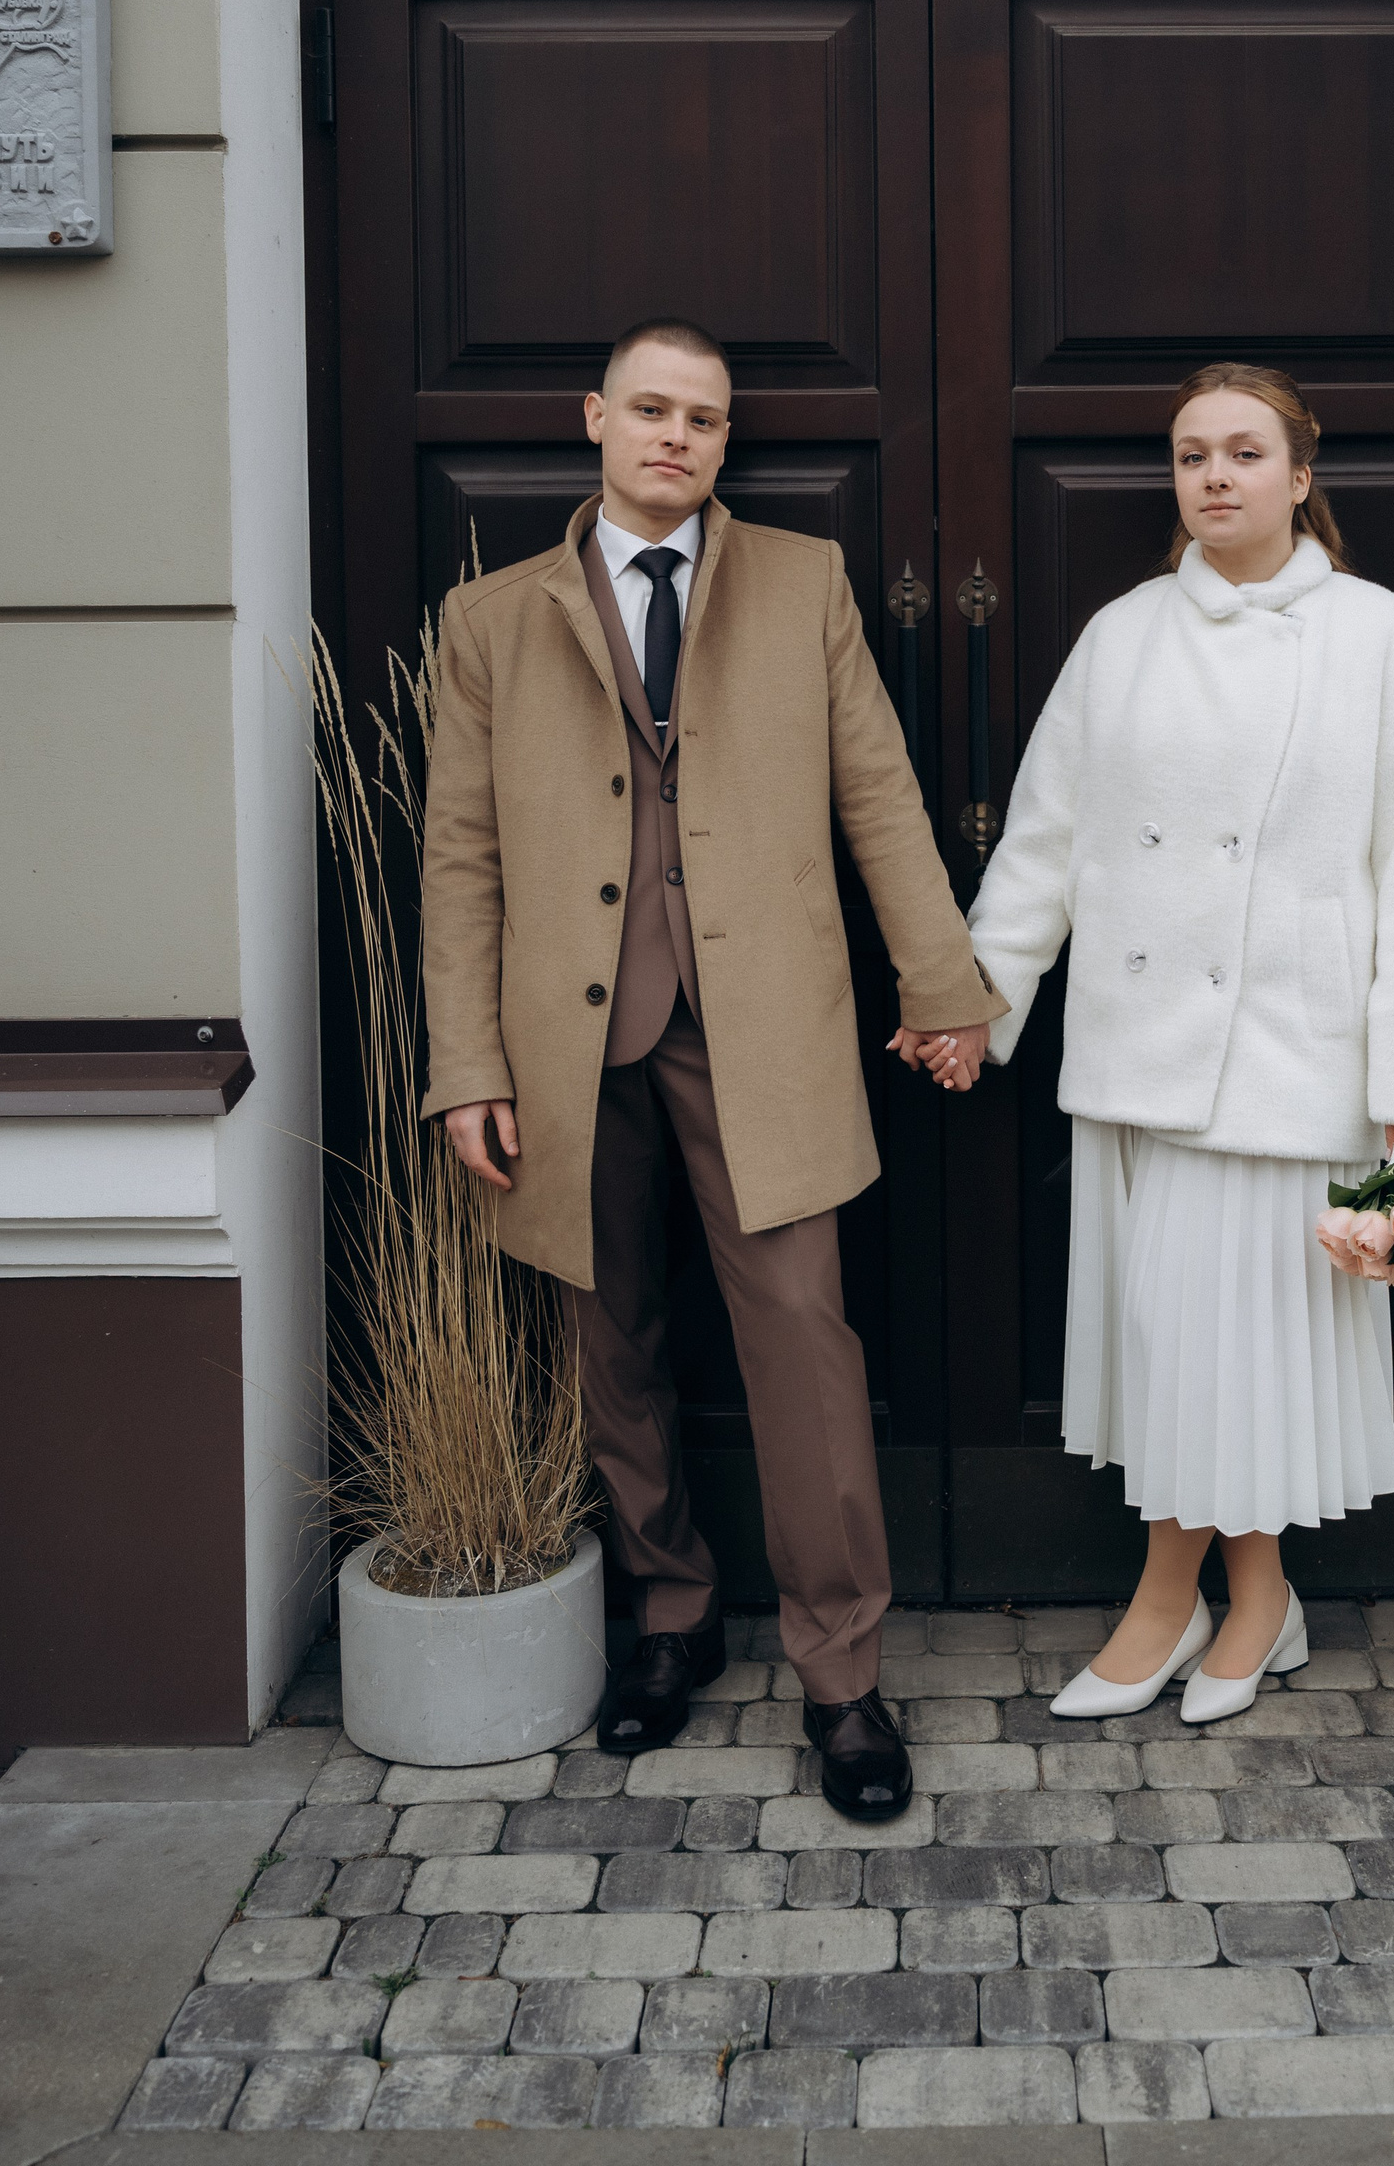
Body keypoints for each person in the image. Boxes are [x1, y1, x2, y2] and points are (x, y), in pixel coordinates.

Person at [420, 317, 999, 1815]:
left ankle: (843, 1677)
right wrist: (466, 1062)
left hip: (766, 1024)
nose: (677, 436)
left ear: (725, 441)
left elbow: (879, 792)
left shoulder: (803, 584)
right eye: (652, 410)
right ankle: (671, 1615)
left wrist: (943, 984)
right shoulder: (492, 619)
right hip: (567, 1036)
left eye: (705, 418)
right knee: (609, 1336)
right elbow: (462, 858)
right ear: (596, 418)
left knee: (802, 1338)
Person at [958, 363, 1394, 1722]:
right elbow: (1048, 839)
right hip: (1143, 1052)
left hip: (1294, 1059)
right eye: (1192, 453)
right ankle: (1251, 1595)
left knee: (1234, 1356)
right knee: (1176, 1352)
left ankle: (1176, 1601)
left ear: (1301, 475)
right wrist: (982, 1000)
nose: (1213, 475)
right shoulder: (1123, 636)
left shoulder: (1382, 639)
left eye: (1245, 451)